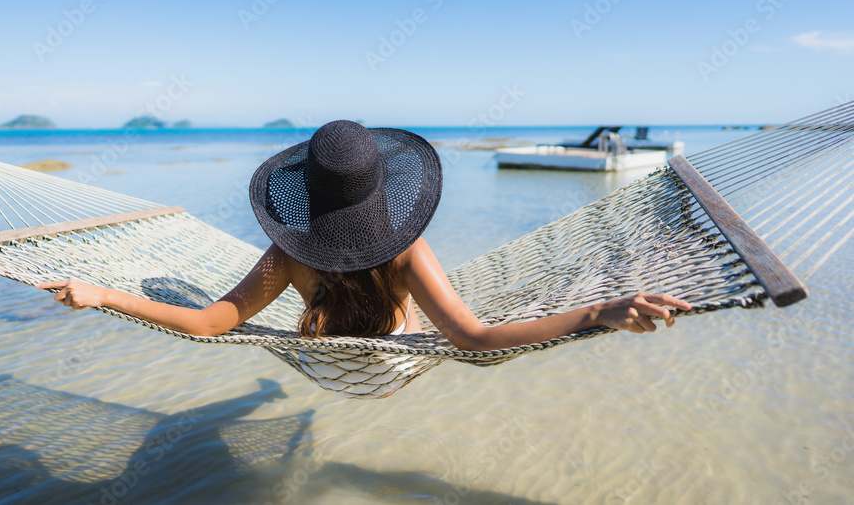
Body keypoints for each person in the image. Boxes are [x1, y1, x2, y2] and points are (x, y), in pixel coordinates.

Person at [37, 120, 690, 350]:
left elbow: (211, 321)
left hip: (328, 348)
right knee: (571, 273)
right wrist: (600, 310)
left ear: (307, 192)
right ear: (383, 191)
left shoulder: (288, 257)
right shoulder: (406, 252)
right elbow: (474, 337)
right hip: (398, 353)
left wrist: (103, 293)